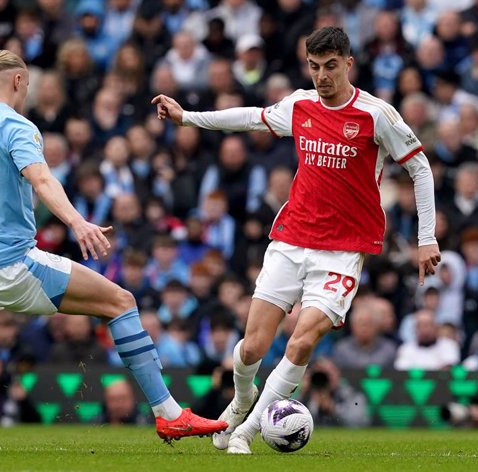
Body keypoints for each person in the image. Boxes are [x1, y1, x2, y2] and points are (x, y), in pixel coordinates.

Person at [0, 50, 226, 452]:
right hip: (8, 263)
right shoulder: (14, 125)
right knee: (121, 302)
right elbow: (41, 179)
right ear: (18, 82)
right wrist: (77, 221)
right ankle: (169, 414)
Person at [153, 26, 441, 454]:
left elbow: (419, 169)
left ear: (348, 64)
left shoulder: (376, 115)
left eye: (329, 67)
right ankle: (243, 399)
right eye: (314, 67)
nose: (321, 76)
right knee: (251, 347)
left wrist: (426, 237)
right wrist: (188, 118)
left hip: (342, 252)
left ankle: (247, 432)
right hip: (291, 241)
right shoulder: (300, 104)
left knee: (302, 340)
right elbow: (250, 116)